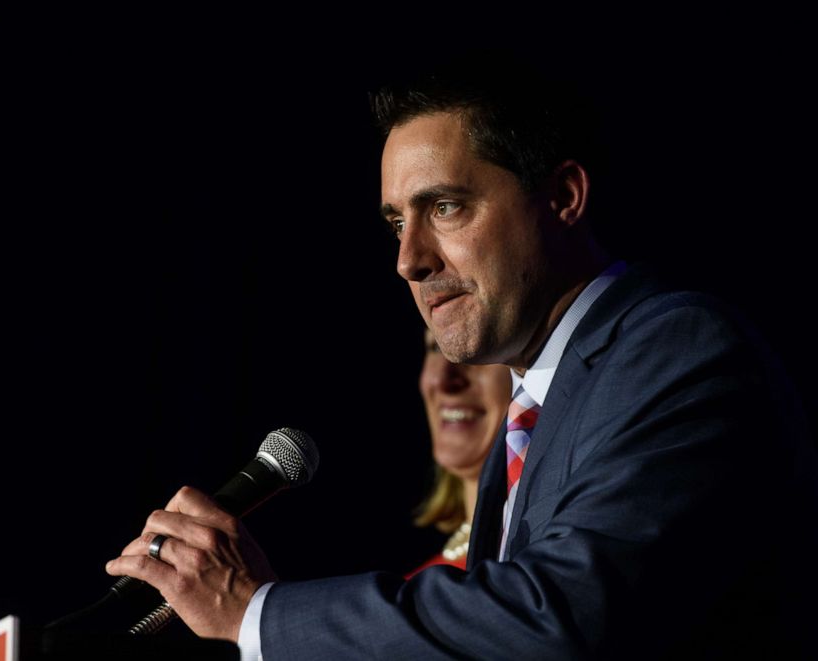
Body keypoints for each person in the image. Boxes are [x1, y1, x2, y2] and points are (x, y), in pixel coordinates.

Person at [105, 52, 818, 658]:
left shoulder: (678, 349)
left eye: (443, 207)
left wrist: (257, 612)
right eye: (395, 222)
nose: (408, 260)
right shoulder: (533, 404)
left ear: (564, 196)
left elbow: (562, 615)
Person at [408, 329, 510, 578]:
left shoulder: (540, 566)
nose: (443, 380)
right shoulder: (413, 590)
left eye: (477, 351)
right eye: (435, 348)